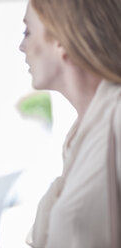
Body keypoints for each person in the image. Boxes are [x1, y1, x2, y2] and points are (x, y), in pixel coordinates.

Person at [20, 0, 121, 247]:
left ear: (62, 39)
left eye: (27, 32)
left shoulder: (117, 114)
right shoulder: (76, 140)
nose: (21, 46)